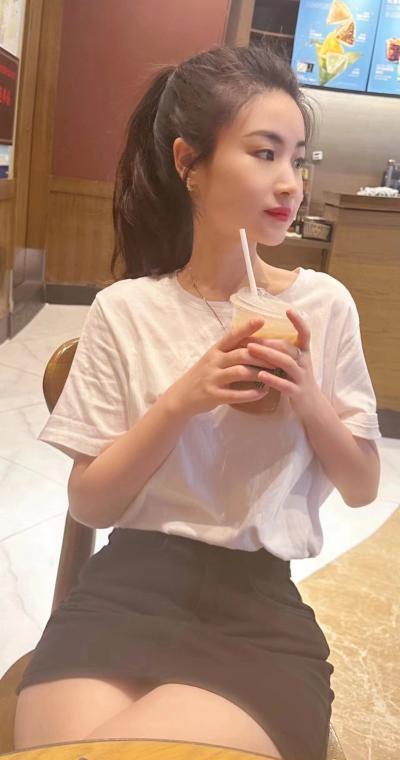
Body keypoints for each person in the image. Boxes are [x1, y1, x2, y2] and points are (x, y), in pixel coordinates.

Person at [14, 44, 381, 760]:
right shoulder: (126, 310)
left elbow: (364, 486)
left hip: (256, 613)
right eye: (265, 153)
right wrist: (183, 398)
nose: (291, 183)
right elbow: (91, 504)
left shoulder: (324, 305)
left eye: (298, 158)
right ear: (189, 162)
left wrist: (307, 395)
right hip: (122, 593)